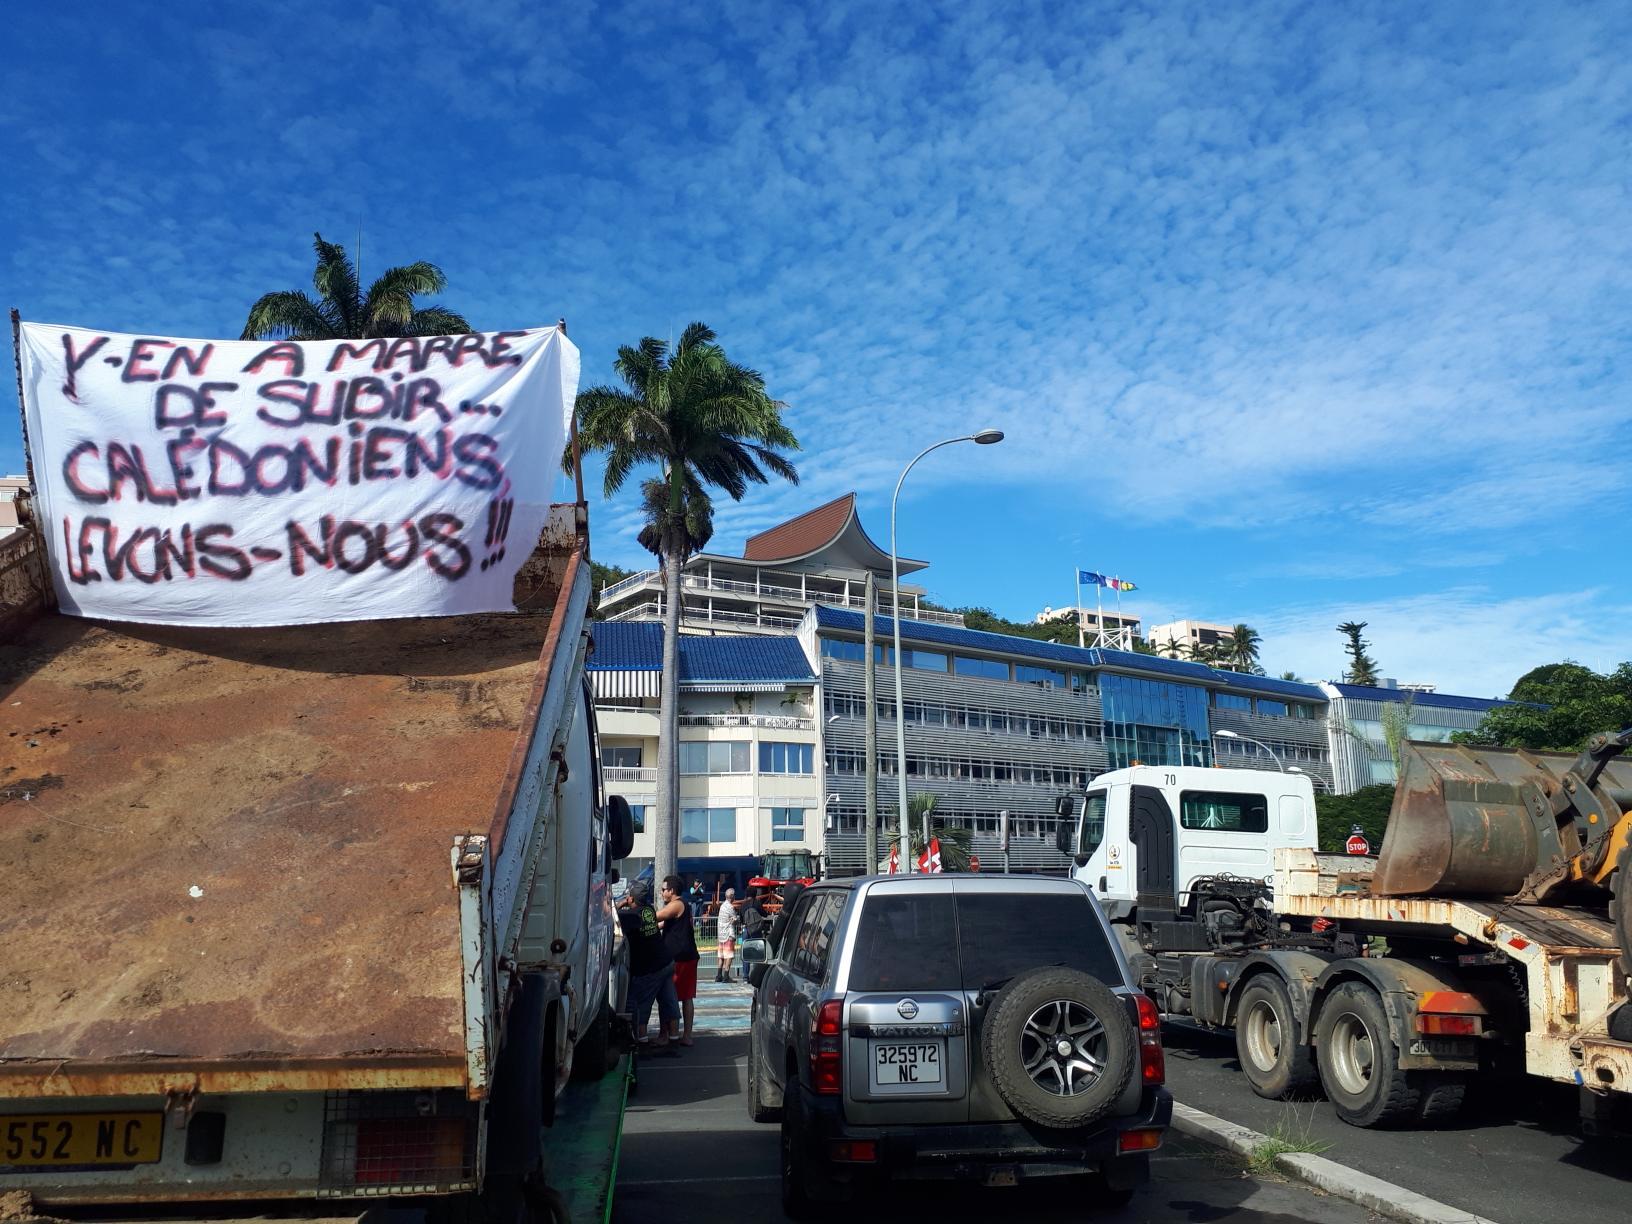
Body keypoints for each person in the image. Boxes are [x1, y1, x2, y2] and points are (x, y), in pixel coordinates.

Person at [617, 879, 679, 1054]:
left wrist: (620, 904)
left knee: (641, 1005)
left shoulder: (631, 916)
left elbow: (611, 915)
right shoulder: (649, 911)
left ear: (631, 898)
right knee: (669, 1001)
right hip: (666, 962)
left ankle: (642, 1045)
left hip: (648, 968)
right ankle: (674, 1041)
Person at [657, 874, 700, 1046]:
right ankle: (683, 1035)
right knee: (685, 997)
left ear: (671, 890)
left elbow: (657, 917)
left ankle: (670, 1034)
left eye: (663, 890)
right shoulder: (682, 905)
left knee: (672, 996)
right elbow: (663, 924)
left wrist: (639, 916)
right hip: (685, 956)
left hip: (681, 958)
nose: (661, 893)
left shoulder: (676, 904)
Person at [715, 888, 739, 982]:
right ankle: (726, 976)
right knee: (729, 955)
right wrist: (737, 919)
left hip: (721, 934)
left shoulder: (722, 906)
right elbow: (734, 920)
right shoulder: (730, 907)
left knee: (721, 955)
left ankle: (718, 975)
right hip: (728, 934)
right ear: (732, 896)